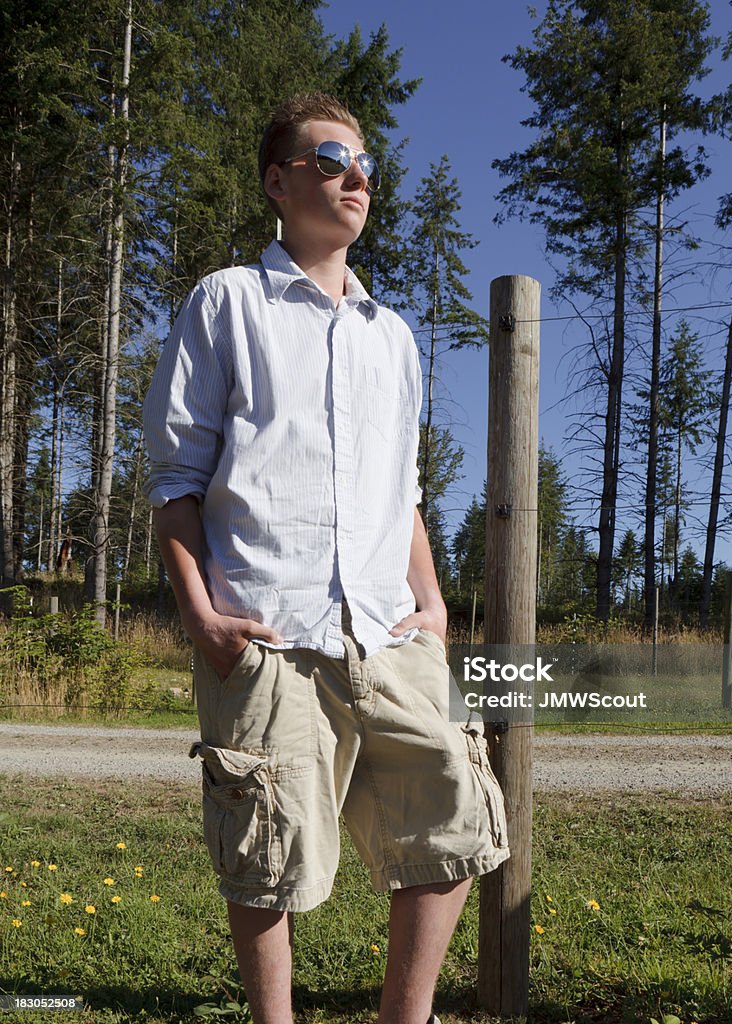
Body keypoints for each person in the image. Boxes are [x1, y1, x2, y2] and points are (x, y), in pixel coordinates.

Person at [143, 92, 509, 1024]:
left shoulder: (394, 336)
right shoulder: (228, 302)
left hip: (390, 630)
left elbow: (406, 491)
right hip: (267, 625)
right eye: (332, 157)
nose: (356, 178)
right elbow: (176, 476)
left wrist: (429, 607)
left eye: (366, 167)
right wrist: (200, 613)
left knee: (455, 814)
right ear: (279, 180)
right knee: (267, 849)